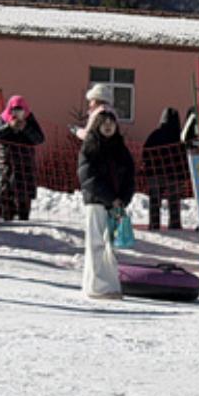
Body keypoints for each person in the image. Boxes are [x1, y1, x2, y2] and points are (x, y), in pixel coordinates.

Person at [76, 108, 135, 300]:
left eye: (112, 122)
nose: (108, 126)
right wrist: (110, 197)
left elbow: (130, 177)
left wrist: (123, 199)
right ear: (96, 125)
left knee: (111, 247)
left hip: (115, 205)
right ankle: (96, 287)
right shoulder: (90, 147)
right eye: (104, 123)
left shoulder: (121, 149)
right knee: (96, 245)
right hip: (96, 202)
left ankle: (109, 285)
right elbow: (88, 178)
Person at [0, 95, 45, 221]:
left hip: (24, 163)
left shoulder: (30, 120)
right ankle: (7, 216)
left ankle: (24, 218)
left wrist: (26, 128)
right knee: (5, 192)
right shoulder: (2, 119)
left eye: (20, 110)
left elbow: (40, 139)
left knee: (24, 194)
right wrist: (8, 127)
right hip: (5, 162)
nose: (17, 113)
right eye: (14, 109)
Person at [141, 106, 187, 231]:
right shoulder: (180, 137)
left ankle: (154, 224)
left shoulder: (155, 135)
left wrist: (147, 167)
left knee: (155, 200)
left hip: (155, 173)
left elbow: (145, 152)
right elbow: (185, 156)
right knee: (174, 200)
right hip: (175, 175)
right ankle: (175, 224)